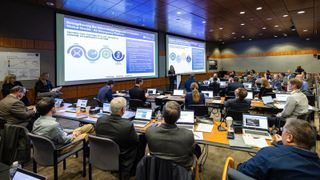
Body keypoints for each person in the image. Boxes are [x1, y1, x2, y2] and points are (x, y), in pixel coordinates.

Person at [238, 118, 320, 180]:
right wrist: (281, 142)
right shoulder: (316, 164)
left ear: (289, 137)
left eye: (283, 132)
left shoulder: (269, 154)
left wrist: (239, 166)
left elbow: (243, 171)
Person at [95, 97, 139, 180]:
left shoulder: (100, 120)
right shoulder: (127, 125)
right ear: (123, 110)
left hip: (101, 153)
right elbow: (135, 141)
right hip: (121, 157)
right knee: (138, 144)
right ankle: (133, 173)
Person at [146, 101, 196, 169]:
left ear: (162, 115)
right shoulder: (188, 135)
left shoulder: (150, 132)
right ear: (179, 117)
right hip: (180, 172)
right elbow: (191, 152)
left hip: (157, 170)